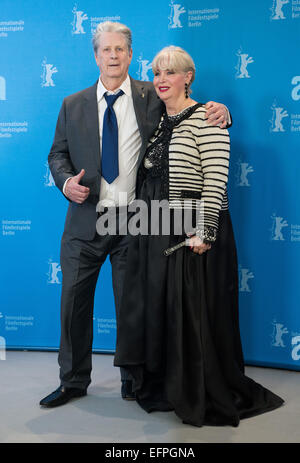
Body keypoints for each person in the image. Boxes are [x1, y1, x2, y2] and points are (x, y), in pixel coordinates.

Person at [39, 21, 231, 408]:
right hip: (85, 221)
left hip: (136, 222)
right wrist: (64, 183)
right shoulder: (72, 104)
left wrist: (222, 110)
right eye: (106, 50)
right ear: (95, 55)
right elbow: (57, 154)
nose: (113, 56)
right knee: (73, 303)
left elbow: (187, 109)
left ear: (130, 55)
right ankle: (73, 380)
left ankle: (135, 379)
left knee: (134, 304)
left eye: (120, 50)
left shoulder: (152, 95)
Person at [114, 46, 284, 427]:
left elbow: (216, 180)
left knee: (193, 313)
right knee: (164, 307)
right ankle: (165, 382)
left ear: (188, 77)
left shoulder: (208, 117)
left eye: (170, 73)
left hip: (194, 230)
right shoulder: (159, 121)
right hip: (157, 228)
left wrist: (204, 231)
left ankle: (198, 387)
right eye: (157, 72)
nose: (161, 80)